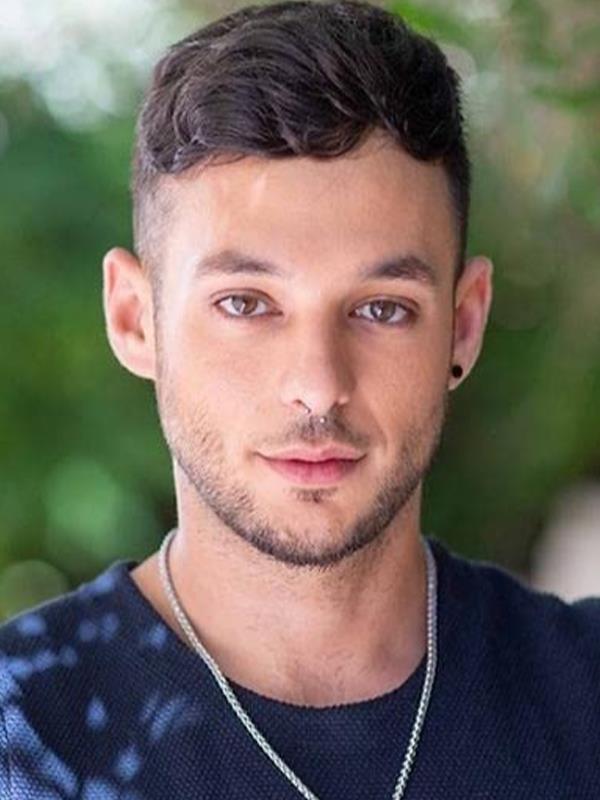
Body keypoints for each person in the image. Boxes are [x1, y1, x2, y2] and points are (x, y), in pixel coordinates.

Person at [1, 1, 598, 798]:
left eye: (382, 309)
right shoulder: (23, 737)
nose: (318, 384)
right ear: (135, 319)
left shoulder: (586, 697)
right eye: (246, 303)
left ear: (463, 325)